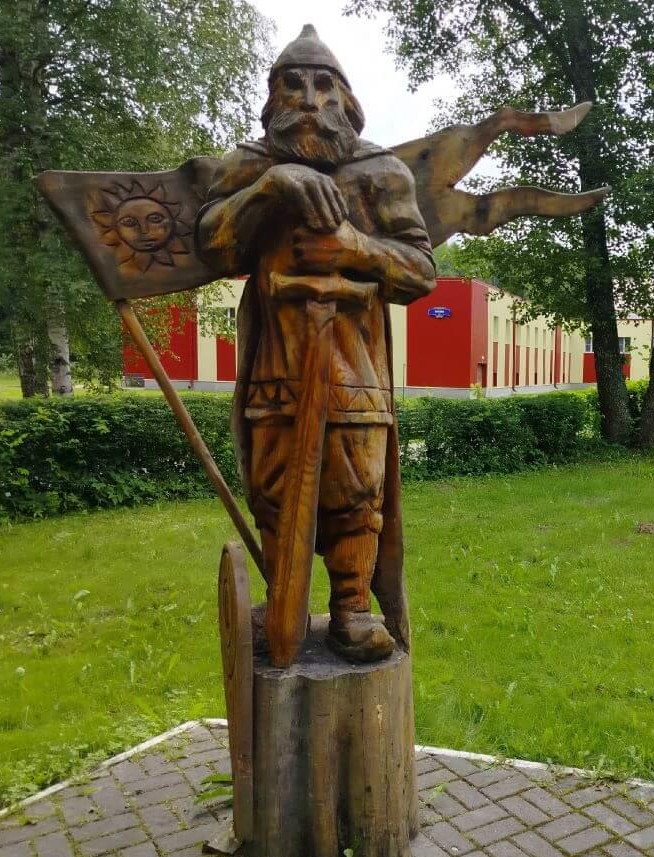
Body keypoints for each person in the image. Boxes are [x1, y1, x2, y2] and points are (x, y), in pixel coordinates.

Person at [196, 25, 436, 663]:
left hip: (355, 372)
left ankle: (352, 609)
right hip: (277, 368)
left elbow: (420, 271)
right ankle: (288, 604)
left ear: (348, 102)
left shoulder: (380, 174)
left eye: (324, 84)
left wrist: (354, 247)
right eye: (292, 84)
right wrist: (270, 188)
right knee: (275, 493)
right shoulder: (249, 168)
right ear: (271, 99)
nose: (308, 99)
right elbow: (212, 244)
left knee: (357, 494)